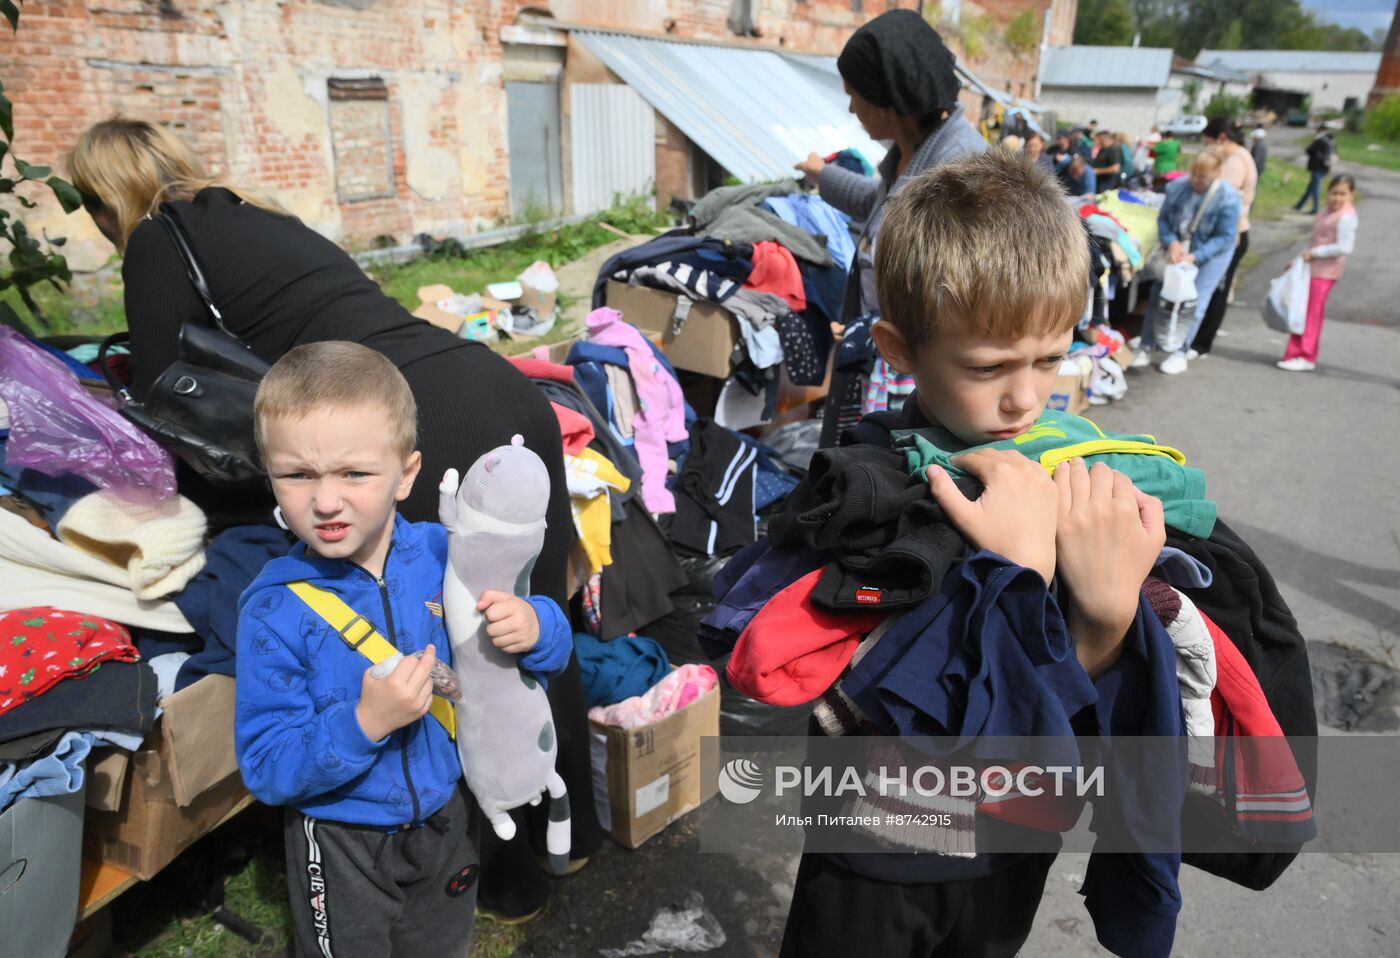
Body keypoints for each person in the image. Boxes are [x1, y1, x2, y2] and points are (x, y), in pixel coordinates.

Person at [67, 115, 603, 922]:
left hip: (415, 419)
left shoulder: (155, 237)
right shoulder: (252, 210)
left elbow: (156, 383)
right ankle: (570, 838)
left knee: (453, 639)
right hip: (495, 385)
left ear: (105, 198)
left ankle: (504, 879)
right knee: (523, 616)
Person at [778, 148, 1172, 958]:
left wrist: (1104, 616)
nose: (1026, 398)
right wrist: (1022, 582)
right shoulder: (865, 492)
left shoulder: (1080, 480)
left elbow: (1079, 723)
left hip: (1010, 849)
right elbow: (869, 711)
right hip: (874, 857)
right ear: (898, 349)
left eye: (1051, 358)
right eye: (988, 366)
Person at [234, 342, 573, 957]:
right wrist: (364, 724)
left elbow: (547, 653)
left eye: (355, 473)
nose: (326, 500)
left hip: (449, 813)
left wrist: (537, 625)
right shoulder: (274, 610)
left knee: (442, 945)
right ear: (270, 476)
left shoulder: (448, 556)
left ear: (407, 474)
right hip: (341, 835)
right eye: (298, 474)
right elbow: (265, 765)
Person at [793, 8, 986, 446]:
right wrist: (820, 175)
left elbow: (964, 291)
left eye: (853, 94)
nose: (850, 106)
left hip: (917, 375)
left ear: (886, 100)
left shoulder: (961, 171)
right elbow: (879, 206)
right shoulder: (912, 152)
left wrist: (882, 322)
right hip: (884, 353)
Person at [1132, 149, 1241, 375]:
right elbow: (1163, 220)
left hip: (1210, 254)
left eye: (1204, 177)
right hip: (1178, 248)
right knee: (1160, 294)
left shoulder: (1228, 198)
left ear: (1216, 174)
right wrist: (1171, 242)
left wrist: (1195, 257)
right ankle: (1146, 343)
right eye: (1195, 175)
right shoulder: (1178, 188)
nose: (1197, 181)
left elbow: (1225, 237)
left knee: (1194, 301)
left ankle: (1179, 350)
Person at [1193, 119, 1258, 356]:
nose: (1206, 149)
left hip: (1230, 235)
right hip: (1234, 233)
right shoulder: (1242, 155)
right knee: (1216, 290)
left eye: (1208, 143)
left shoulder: (1234, 161)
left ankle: (1200, 343)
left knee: (1214, 292)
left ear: (1221, 139)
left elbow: (1218, 199)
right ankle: (1199, 340)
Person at [1279, 174, 1358, 371]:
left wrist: (1316, 253)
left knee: (1312, 313)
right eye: (1334, 193)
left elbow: (1344, 247)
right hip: (1310, 268)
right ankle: (1293, 352)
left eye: (1342, 194)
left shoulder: (1346, 217)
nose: (1337, 198)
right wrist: (1297, 260)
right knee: (1301, 310)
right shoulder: (1326, 211)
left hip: (1325, 271)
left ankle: (1306, 354)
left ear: (1351, 195)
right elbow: (1313, 240)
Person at [1294, 125, 1334, 215]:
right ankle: (1300, 205)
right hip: (1325, 166)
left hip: (1317, 166)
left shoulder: (1319, 140)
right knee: (1311, 187)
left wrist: (1311, 144)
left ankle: (1316, 208)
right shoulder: (1330, 139)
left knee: (1315, 187)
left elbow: (1309, 150)